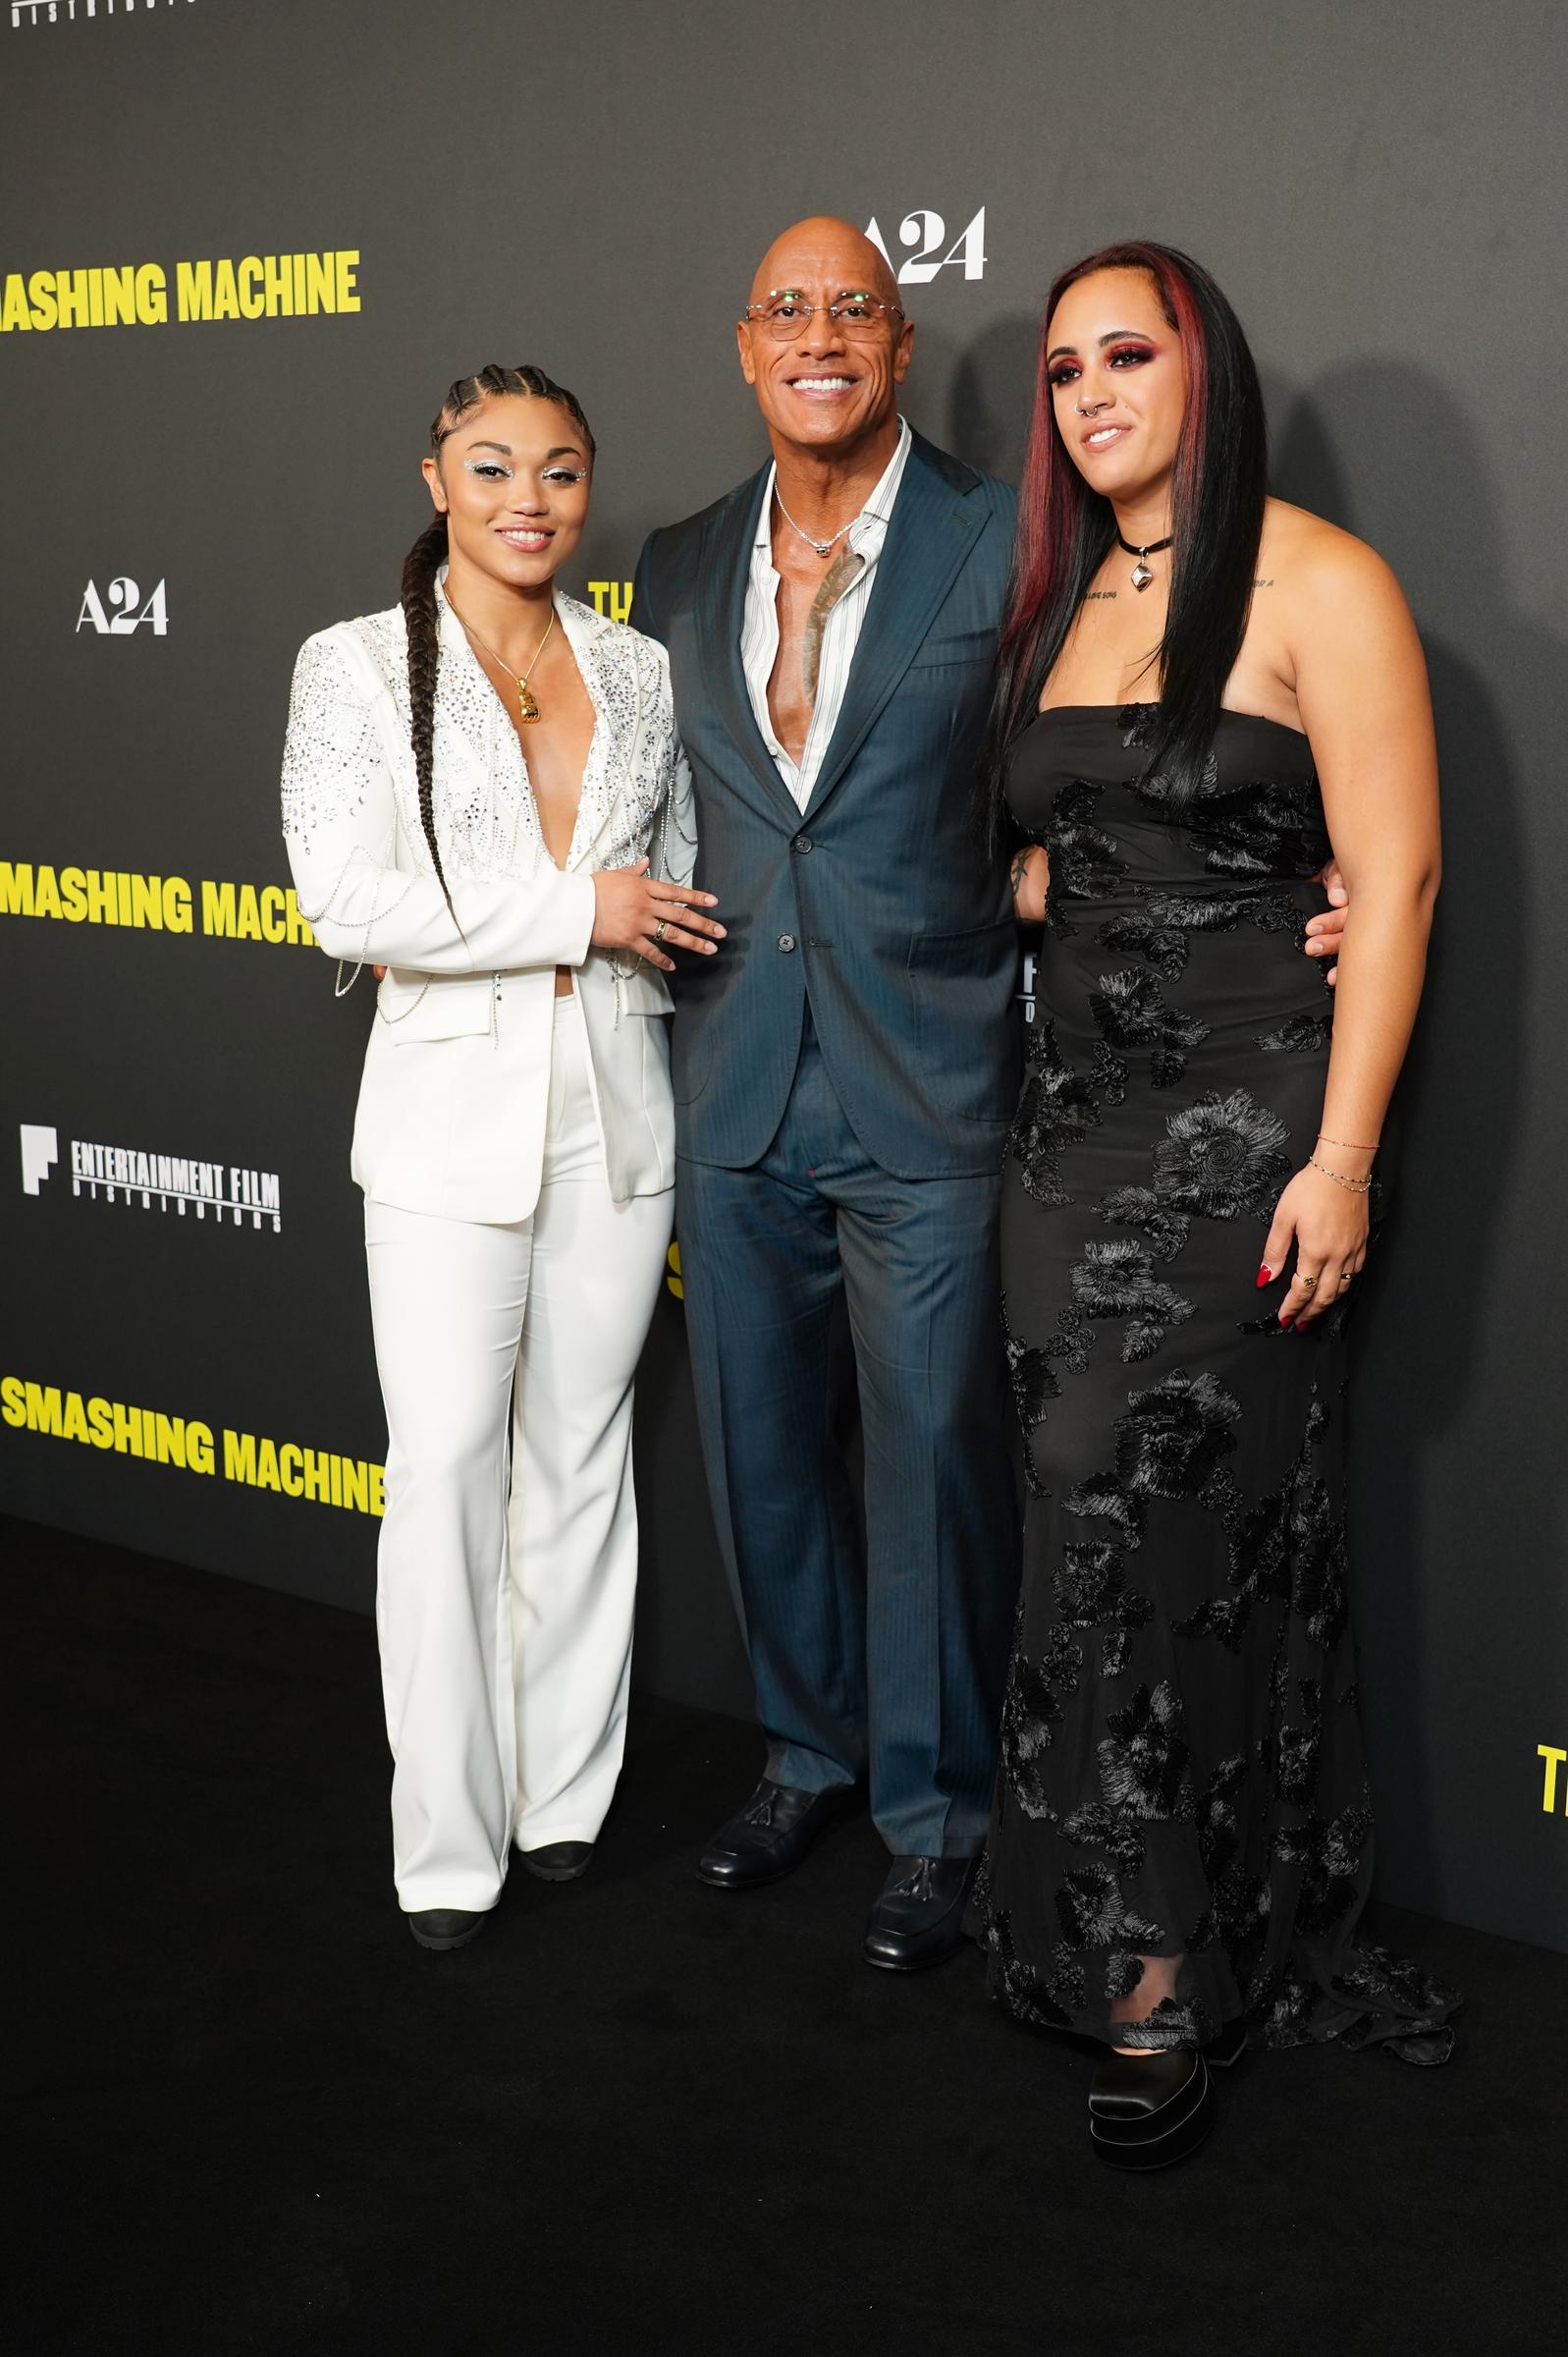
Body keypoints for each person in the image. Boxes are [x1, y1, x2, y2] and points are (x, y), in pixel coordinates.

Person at [632, 217, 1351, 1970]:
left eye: (855, 309)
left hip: (936, 1079)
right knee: (762, 1461)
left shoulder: (1012, 538)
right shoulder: (672, 561)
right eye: (786, 309)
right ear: (745, 345)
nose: (819, 335)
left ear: (899, 345)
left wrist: (1293, 884)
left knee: (937, 1470)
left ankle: (936, 1811)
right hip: (731, 1079)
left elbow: (1111, 767)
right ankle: (804, 1756)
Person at [970, 242, 1458, 2167]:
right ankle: (1111, 1918)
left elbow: (1397, 883)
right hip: (1068, 1134)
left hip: (1249, 1134)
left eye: (1128, 354)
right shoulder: (1068, 599)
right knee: (1075, 1514)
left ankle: (1167, 1971)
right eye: (1064, 369)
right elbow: (1047, 855)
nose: (1091, 393)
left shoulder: (1322, 581)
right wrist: (1088, 894)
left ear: (1204, 371)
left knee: (1153, 1519)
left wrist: (1339, 1158)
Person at [280, 363, 723, 1950]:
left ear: (586, 486)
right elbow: (345, 901)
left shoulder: (639, 667)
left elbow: (671, 885)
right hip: (442, 1129)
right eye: (490, 467)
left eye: (557, 470)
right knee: (448, 1473)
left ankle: (561, 1801)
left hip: (619, 1114)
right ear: (435, 480)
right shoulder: (352, 664)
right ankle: (447, 1844)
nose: (526, 500)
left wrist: (627, 926)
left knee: (583, 1468)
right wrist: (574, 912)